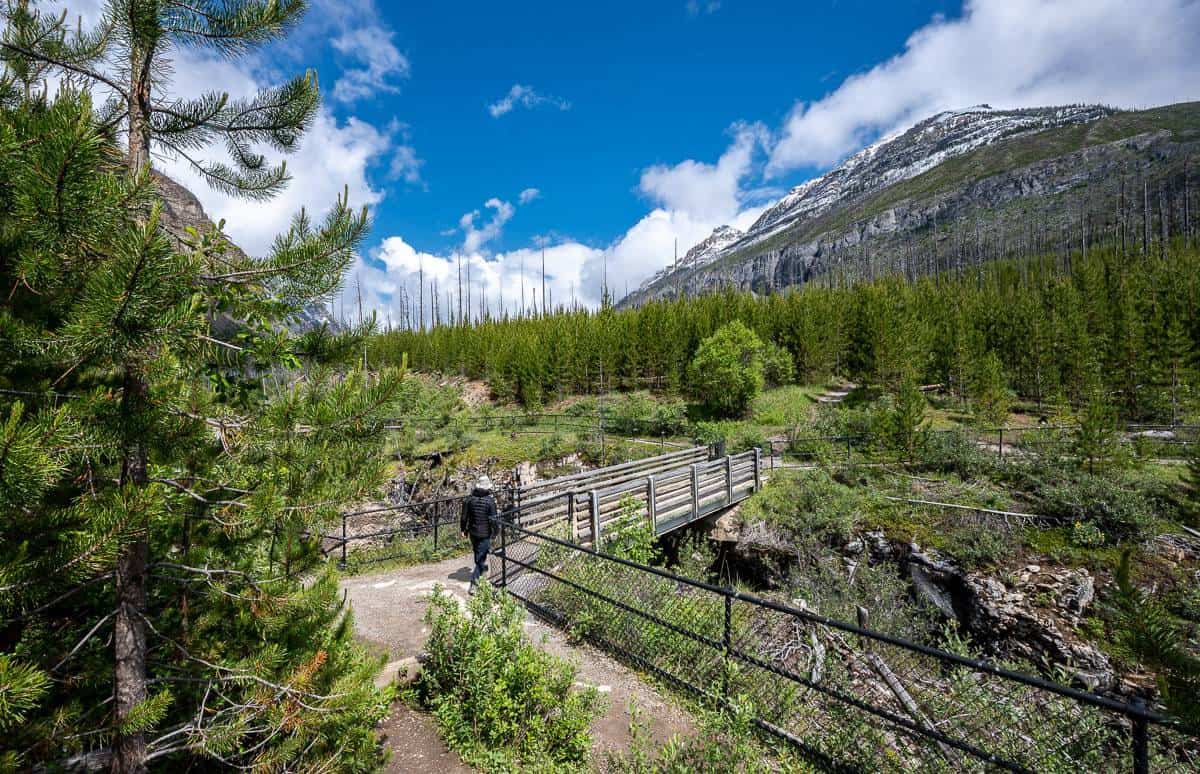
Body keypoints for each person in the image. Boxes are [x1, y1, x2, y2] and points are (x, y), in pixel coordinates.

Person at [460, 475, 499, 594]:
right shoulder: (490, 501)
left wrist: (463, 530)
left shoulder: (469, 500)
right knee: (481, 558)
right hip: (485, 533)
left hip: (473, 532)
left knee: (478, 554)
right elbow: (494, 519)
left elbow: (464, 517)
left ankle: (481, 573)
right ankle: (474, 584)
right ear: (487, 487)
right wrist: (495, 533)